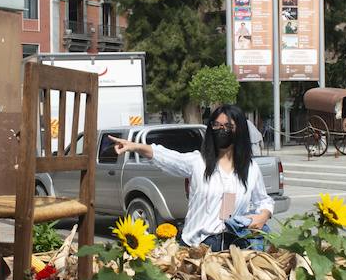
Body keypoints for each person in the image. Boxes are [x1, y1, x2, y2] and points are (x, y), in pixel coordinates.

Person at [109, 104, 273, 250]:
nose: (221, 130)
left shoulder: (250, 169)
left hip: (232, 249)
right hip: (196, 247)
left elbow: (264, 200)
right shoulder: (198, 162)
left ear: (240, 131)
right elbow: (165, 156)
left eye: (228, 126)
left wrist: (262, 216)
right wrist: (134, 146)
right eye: (216, 126)